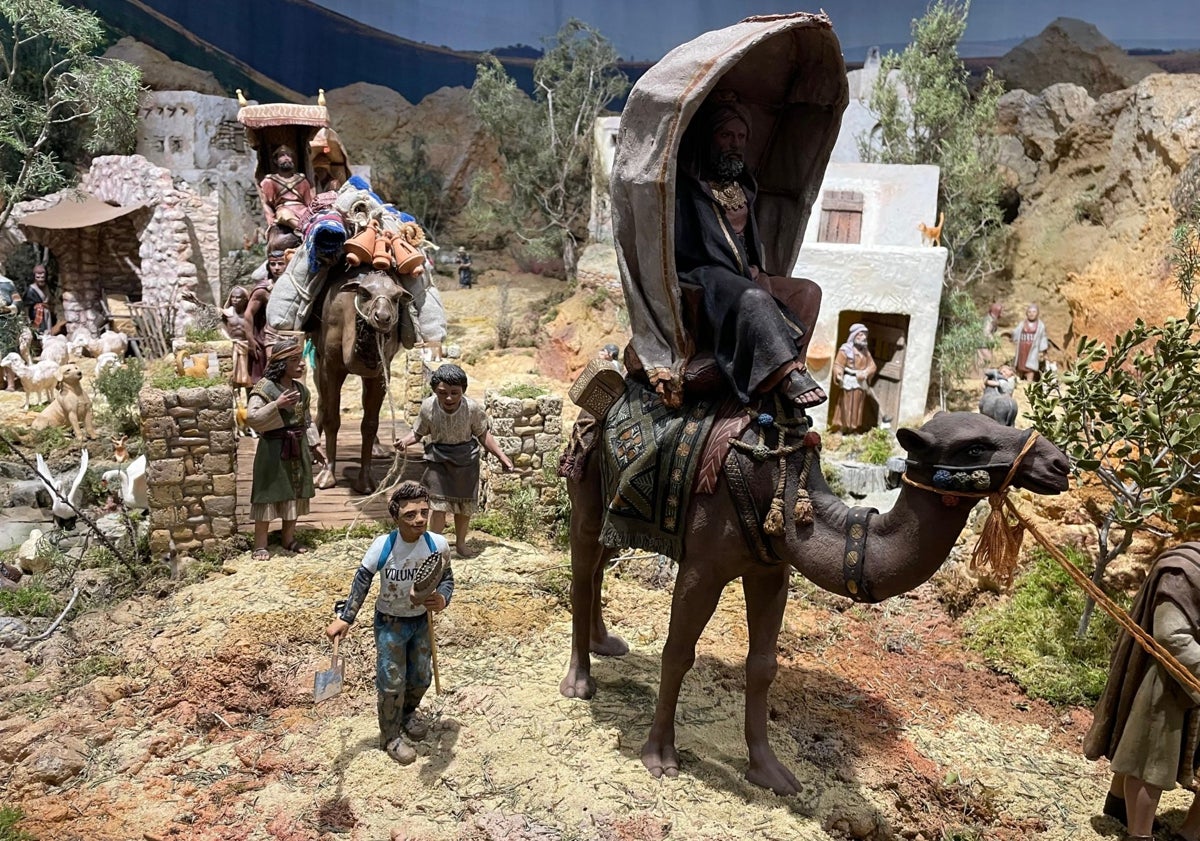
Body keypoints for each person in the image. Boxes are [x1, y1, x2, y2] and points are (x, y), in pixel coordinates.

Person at [673, 90, 824, 410]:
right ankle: (785, 373)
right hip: (707, 274)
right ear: (709, 138)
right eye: (726, 134)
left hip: (744, 273)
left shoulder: (743, 186)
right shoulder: (689, 188)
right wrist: (739, 271)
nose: (735, 143)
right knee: (752, 297)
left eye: (741, 136)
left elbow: (750, 243)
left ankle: (793, 364)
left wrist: (756, 270)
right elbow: (684, 247)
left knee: (809, 292)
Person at [325, 481, 454, 765]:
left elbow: (446, 578)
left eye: (424, 512)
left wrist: (442, 599)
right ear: (395, 516)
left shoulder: (437, 545)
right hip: (391, 622)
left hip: (421, 621)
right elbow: (362, 580)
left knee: (422, 676)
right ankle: (391, 736)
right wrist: (346, 617)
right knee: (391, 678)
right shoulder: (384, 546)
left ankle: (408, 713)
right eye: (410, 514)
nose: (419, 519)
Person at [1084, 543, 1200, 841]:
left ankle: (1191, 830)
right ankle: (1139, 833)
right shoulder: (1183, 571)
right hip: (1167, 684)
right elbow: (1171, 636)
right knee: (1148, 761)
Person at [393, 364, 514, 558]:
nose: (449, 398)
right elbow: (418, 432)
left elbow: (483, 434)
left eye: (454, 393)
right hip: (438, 460)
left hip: (466, 461)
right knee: (438, 506)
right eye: (443, 393)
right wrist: (405, 442)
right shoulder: (428, 407)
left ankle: (460, 543)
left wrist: (502, 456)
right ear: (435, 391)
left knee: (464, 507)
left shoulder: (472, 409)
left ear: (463, 391)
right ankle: (434, 547)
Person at [244, 339, 324, 560]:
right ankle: (261, 544)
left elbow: (306, 420)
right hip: (273, 450)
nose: (301, 365)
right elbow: (252, 417)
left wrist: (315, 445)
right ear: (281, 364)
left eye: (301, 360)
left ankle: (288, 539)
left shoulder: (301, 390)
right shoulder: (264, 388)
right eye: (294, 361)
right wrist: (276, 405)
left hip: (297, 448)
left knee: (294, 493)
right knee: (267, 494)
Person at [258, 144, 314, 237]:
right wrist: (271, 221)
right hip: (284, 210)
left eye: (289, 155)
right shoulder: (270, 181)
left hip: (302, 210)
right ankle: (306, 231)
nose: (286, 158)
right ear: (276, 160)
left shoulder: (302, 180)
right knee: (284, 214)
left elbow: (308, 202)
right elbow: (266, 203)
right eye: (282, 155)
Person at [831, 323, 877, 433]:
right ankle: (841, 428)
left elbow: (872, 366)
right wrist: (838, 374)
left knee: (857, 405)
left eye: (865, 334)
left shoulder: (865, 352)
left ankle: (853, 429)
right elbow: (838, 364)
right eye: (861, 334)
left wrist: (865, 373)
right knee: (845, 405)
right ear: (854, 335)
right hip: (848, 381)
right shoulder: (845, 350)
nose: (864, 337)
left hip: (859, 383)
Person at [218, 286, 254, 396]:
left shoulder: (251, 314)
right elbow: (209, 310)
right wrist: (195, 301)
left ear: (245, 299)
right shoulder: (227, 313)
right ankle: (234, 405)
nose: (235, 300)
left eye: (238, 298)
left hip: (247, 348)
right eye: (233, 297)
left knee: (249, 378)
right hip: (233, 348)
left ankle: (251, 404)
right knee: (231, 377)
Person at [1011, 304, 1049, 382]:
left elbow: (1043, 337)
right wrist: (1012, 335)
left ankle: (1029, 380)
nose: (1031, 314)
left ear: (1037, 313)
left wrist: (1043, 350)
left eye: (1034, 312)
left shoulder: (1040, 325)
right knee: (1020, 363)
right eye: (1029, 312)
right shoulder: (1022, 323)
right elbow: (1016, 332)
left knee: (1031, 365)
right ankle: (1019, 379)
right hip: (1022, 346)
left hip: (1033, 348)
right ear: (1026, 313)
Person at [0, 272, 22, 391]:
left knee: (8, 352)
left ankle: (10, 384)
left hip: (6, 323)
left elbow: (17, 300)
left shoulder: (8, 284)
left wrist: (10, 308)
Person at [24, 264, 56, 336]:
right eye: (38, 277)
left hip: (46, 314)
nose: (41, 279)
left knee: (48, 333)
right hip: (36, 315)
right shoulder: (31, 289)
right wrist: (27, 319)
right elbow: (27, 307)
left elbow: (51, 300)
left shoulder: (47, 287)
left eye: (42, 277)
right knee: (38, 334)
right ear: (35, 277)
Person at [977, 302, 1003, 369]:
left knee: (986, 360)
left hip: (986, 344)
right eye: (1000, 311)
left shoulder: (992, 319)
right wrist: (993, 340)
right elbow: (986, 332)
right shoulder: (988, 320)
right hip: (983, 344)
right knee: (985, 360)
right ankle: (982, 375)